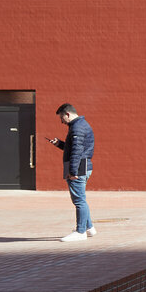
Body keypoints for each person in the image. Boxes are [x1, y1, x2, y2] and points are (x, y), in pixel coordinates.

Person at [50, 103, 96, 242]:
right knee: (81, 199)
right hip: (83, 166)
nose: (61, 121)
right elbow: (74, 148)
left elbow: (77, 151)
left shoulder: (77, 128)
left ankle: (80, 231)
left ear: (68, 114)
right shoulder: (80, 126)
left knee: (79, 200)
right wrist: (60, 144)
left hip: (79, 168)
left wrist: (73, 171)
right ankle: (89, 228)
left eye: (62, 118)